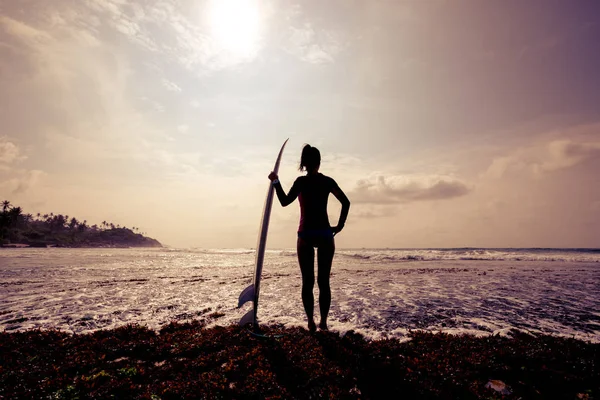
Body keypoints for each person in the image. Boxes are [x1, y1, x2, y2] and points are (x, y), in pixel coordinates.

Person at [268, 144, 350, 332]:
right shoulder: (328, 182)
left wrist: (276, 182)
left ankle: (311, 323)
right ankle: (323, 323)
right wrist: (339, 226)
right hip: (324, 234)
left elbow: (284, 201)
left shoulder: (300, 182)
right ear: (319, 162)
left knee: (308, 282)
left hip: (305, 234)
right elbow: (346, 202)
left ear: (303, 163)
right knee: (323, 282)